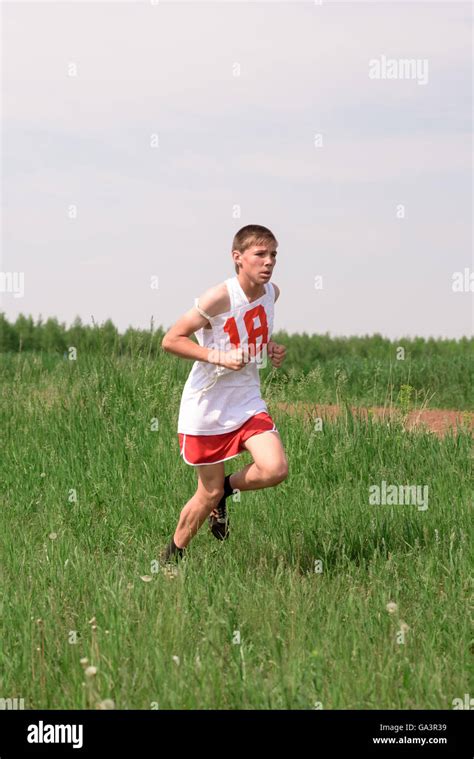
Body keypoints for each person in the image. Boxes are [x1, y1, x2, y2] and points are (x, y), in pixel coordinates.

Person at [160, 224, 288, 564]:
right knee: (207, 491)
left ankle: (226, 493)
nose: (268, 261)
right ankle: (172, 558)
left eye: (273, 254)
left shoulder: (272, 293)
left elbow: (250, 335)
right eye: (260, 254)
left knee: (275, 468)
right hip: (207, 405)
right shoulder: (218, 297)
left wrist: (269, 348)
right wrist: (219, 356)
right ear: (238, 258)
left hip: (246, 400)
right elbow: (171, 340)